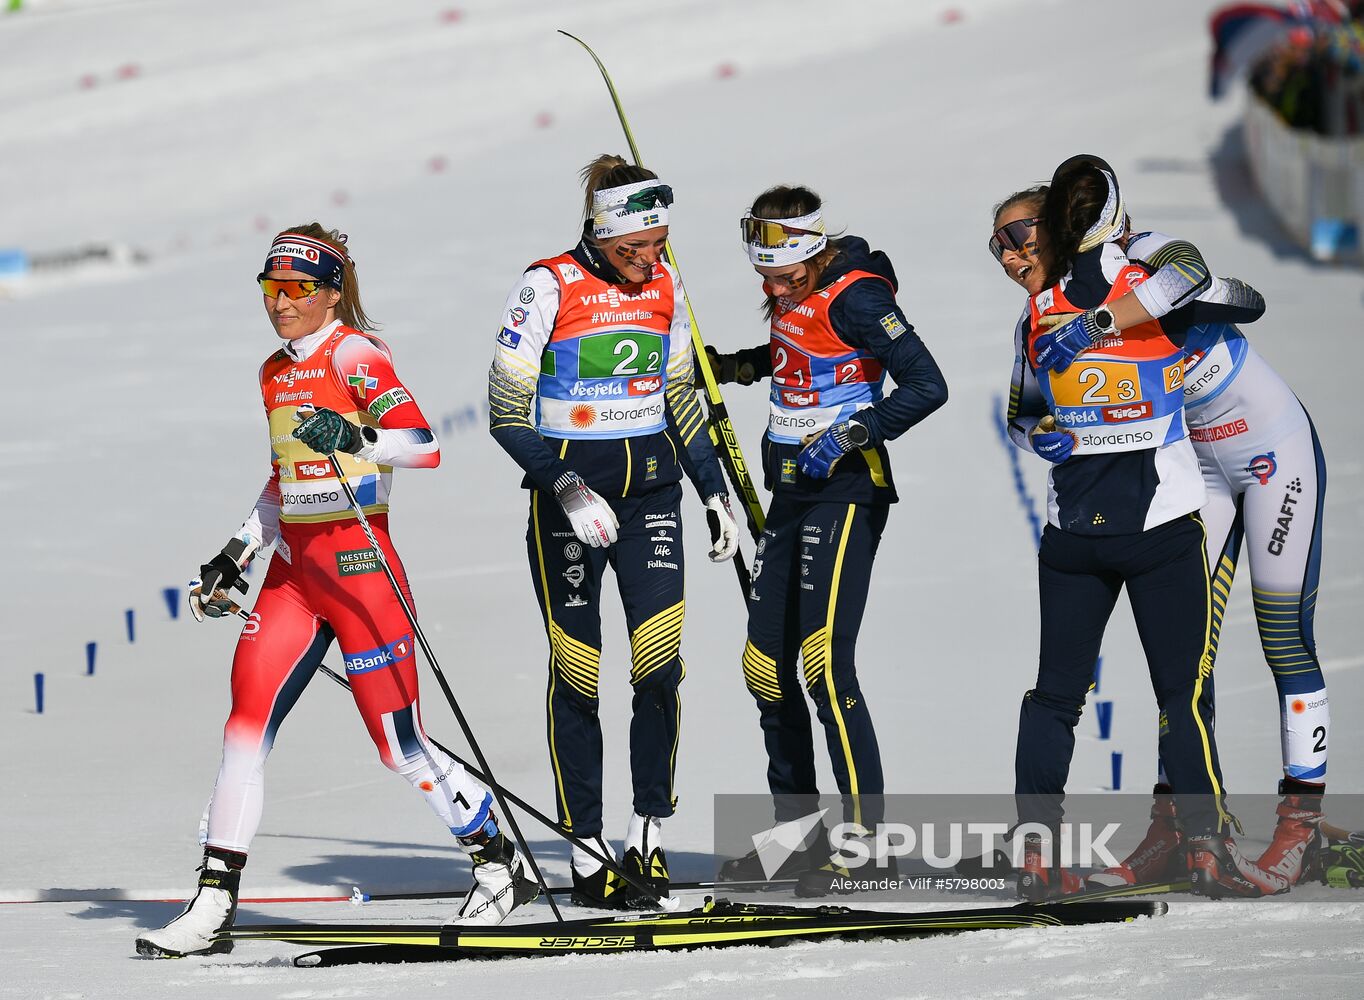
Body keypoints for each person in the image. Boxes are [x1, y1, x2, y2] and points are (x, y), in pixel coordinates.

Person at [136, 226, 536, 959]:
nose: (281, 303)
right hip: (293, 573)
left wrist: (353, 440)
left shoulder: (355, 354)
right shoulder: (272, 373)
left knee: (398, 746)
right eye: (270, 288)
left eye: (296, 289)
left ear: (330, 292)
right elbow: (282, 478)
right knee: (243, 731)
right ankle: (213, 902)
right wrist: (237, 551)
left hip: (360, 566)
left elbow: (424, 444)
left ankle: (494, 860)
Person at [994, 166, 1330, 890]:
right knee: (1189, 660)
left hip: (1269, 450)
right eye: (1001, 248)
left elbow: (1244, 297)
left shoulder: (1149, 258)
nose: (1014, 257)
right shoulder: (1039, 319)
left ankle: (1298, 827)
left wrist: (1103, 321)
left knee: (1280, 636)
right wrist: (1040, 428)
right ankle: (1177, 826)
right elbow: (1020, 411)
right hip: (1190, 467)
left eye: (1023, 238)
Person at [487, 155, 738, 909]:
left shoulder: (666, 281)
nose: (647, 260)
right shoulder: (548, 284)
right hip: (569, 504)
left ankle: (648, 836)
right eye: (634, 247)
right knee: (578, 674)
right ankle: (586, 846)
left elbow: (684, 393)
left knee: (659, 669)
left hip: (651, 498)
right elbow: (505, 410)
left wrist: (715, 491)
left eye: (659, 243)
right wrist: (564, 486)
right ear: (601, 230)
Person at [708, 186, 948, 896]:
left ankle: (868, 844)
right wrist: (730, 367)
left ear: (815, 250)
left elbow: (927, 385)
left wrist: (851, 432)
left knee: (823, 666)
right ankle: (796, 838)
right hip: (792, 492)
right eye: (765, 278)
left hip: (846, 491)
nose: (775, 288)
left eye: (786, 276)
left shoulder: (860, 295)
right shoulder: (795, 294)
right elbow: (799, 357)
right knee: (764, 668)